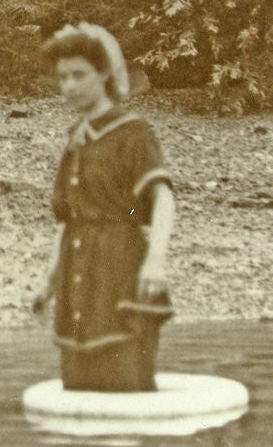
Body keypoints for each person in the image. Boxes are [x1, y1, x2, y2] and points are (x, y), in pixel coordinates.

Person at [33, 23, 175, 392]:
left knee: (124, 383)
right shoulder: (74, 139)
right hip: (77, 273)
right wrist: (49, 280)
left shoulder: (133, 133)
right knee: (78, 387)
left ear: (105, 73)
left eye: (79, 75)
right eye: (62, 77)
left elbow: (162, 199)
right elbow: (69, 218)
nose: (69, 86)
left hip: (120, 268)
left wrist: (155, 262)